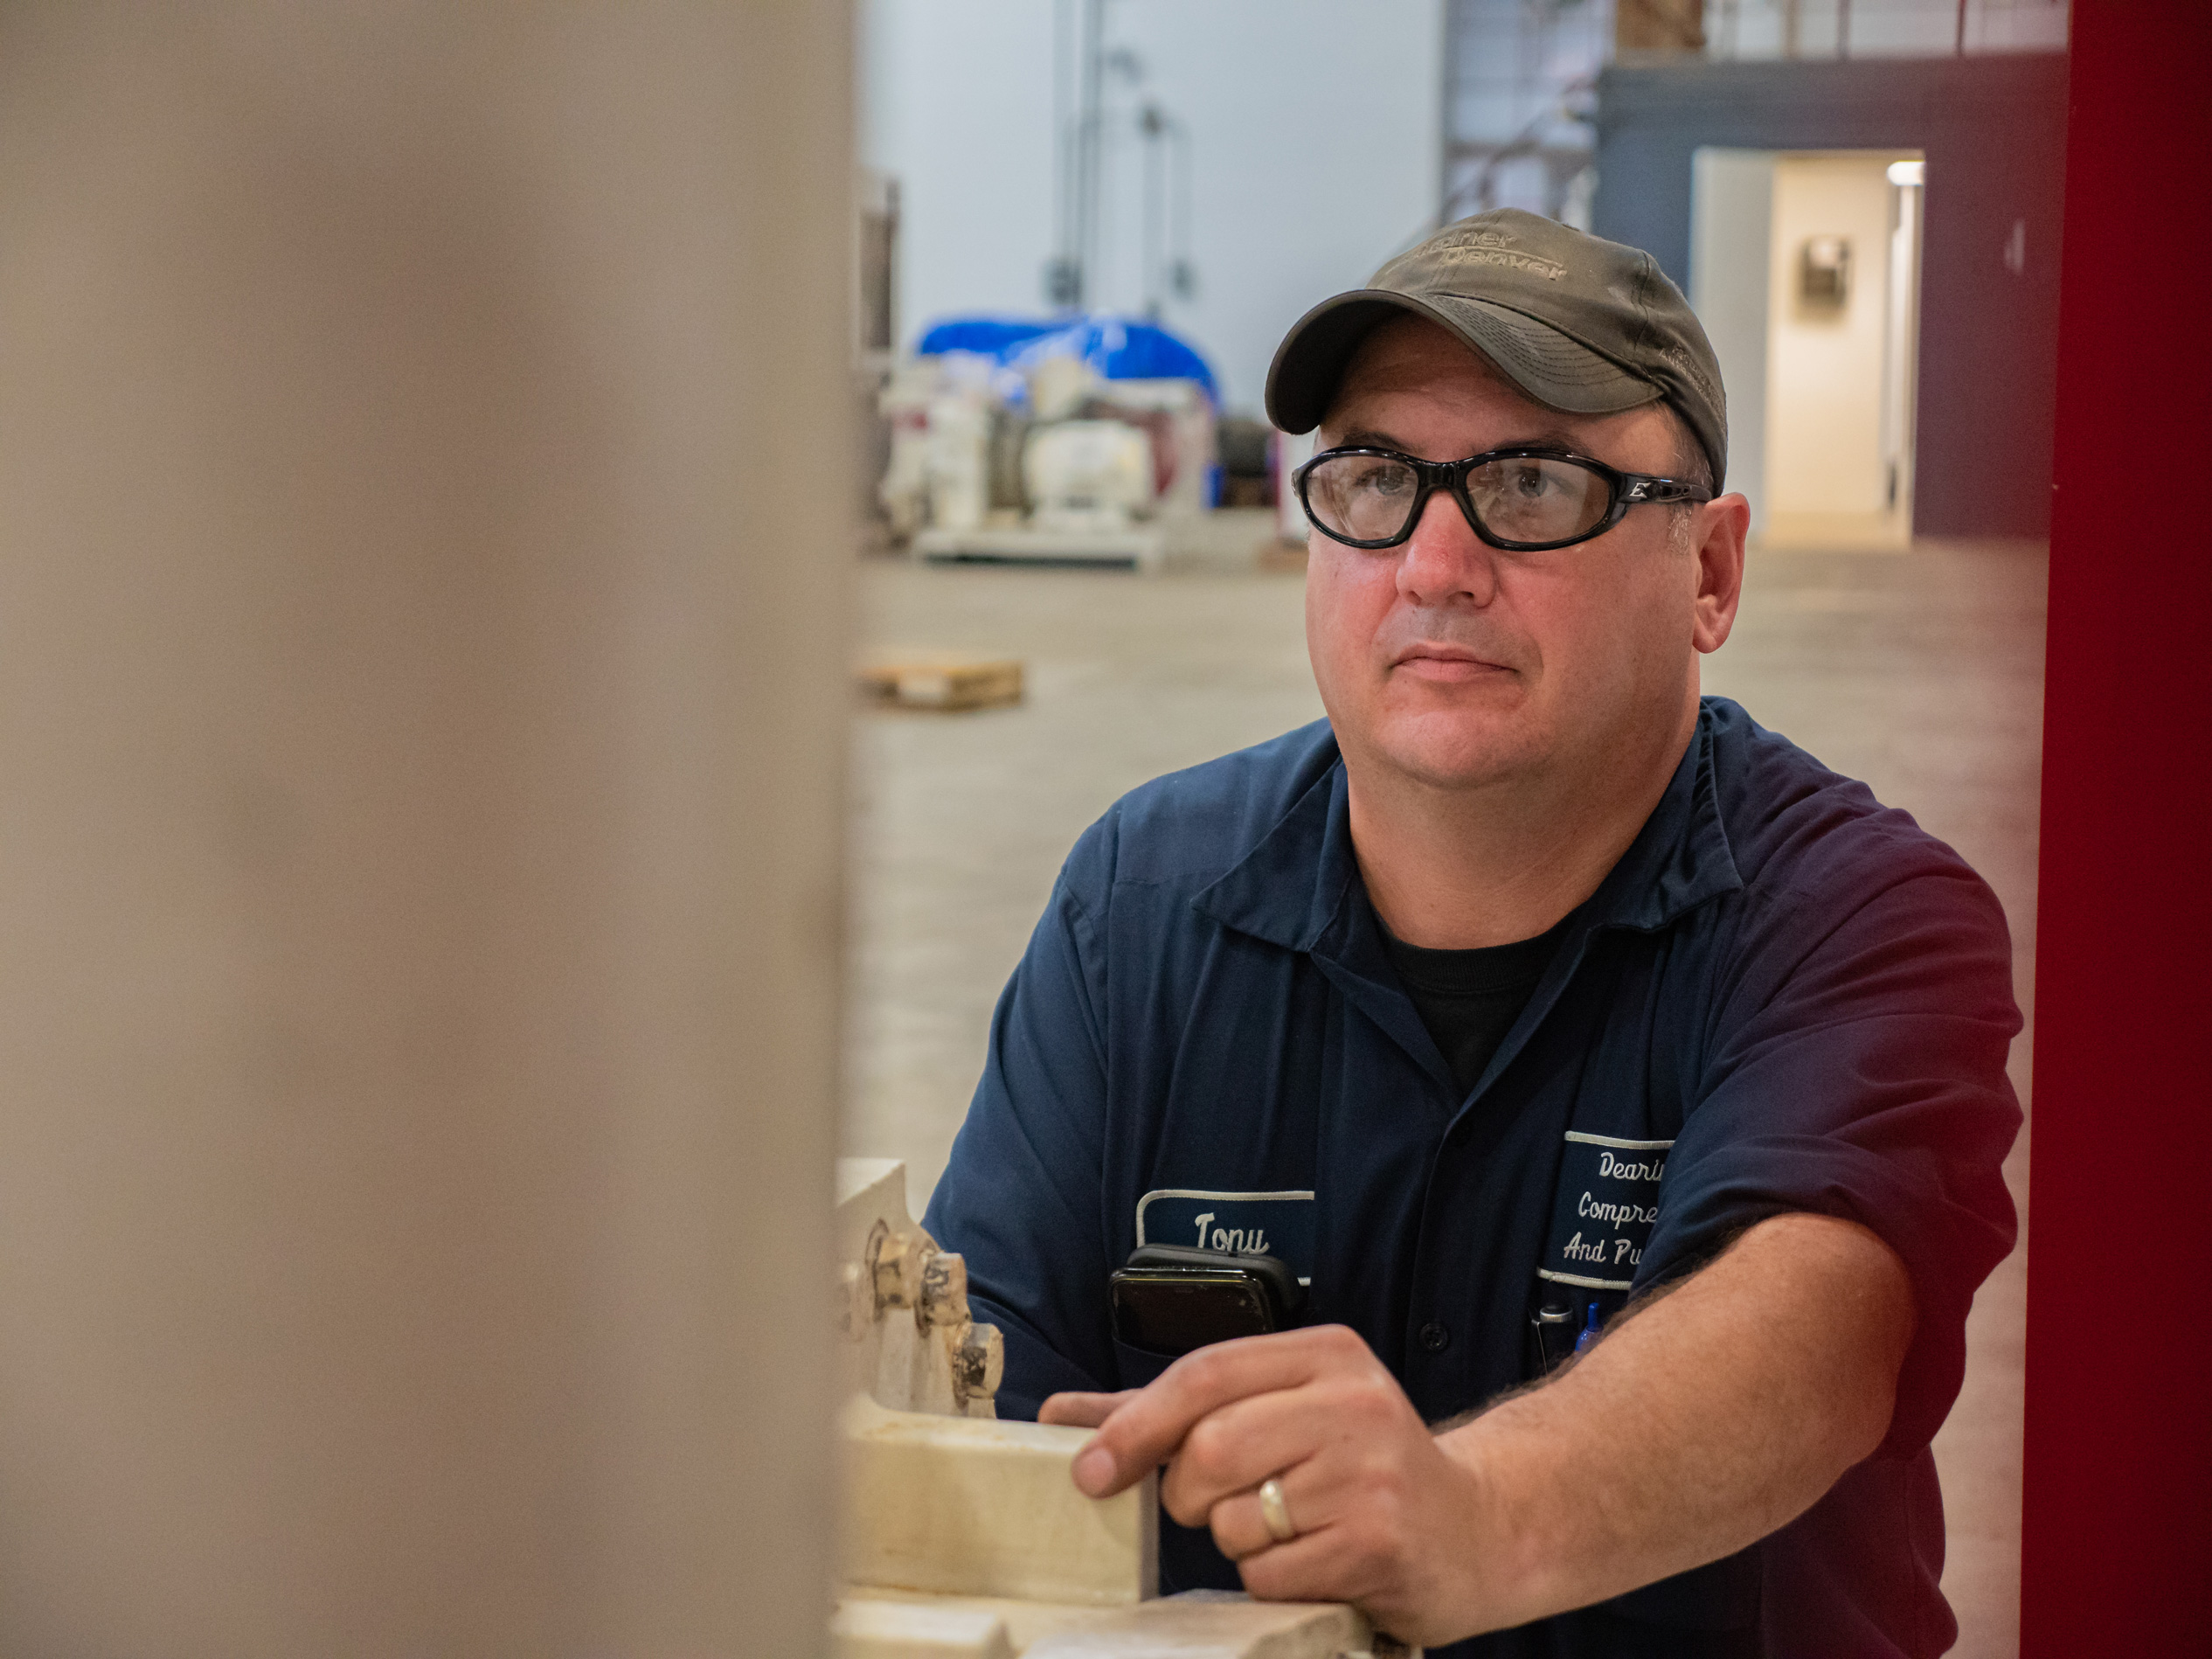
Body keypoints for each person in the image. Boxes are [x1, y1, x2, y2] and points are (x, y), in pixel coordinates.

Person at [921, 210, 2021, 1657]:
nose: (1435, 561)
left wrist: (1475, 1510)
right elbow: (973, 1408)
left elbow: (1814, 1334)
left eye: (1532, 481)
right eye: (1375, 478)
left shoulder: (1861, 921)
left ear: (1711, 574)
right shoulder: (1142, 912)